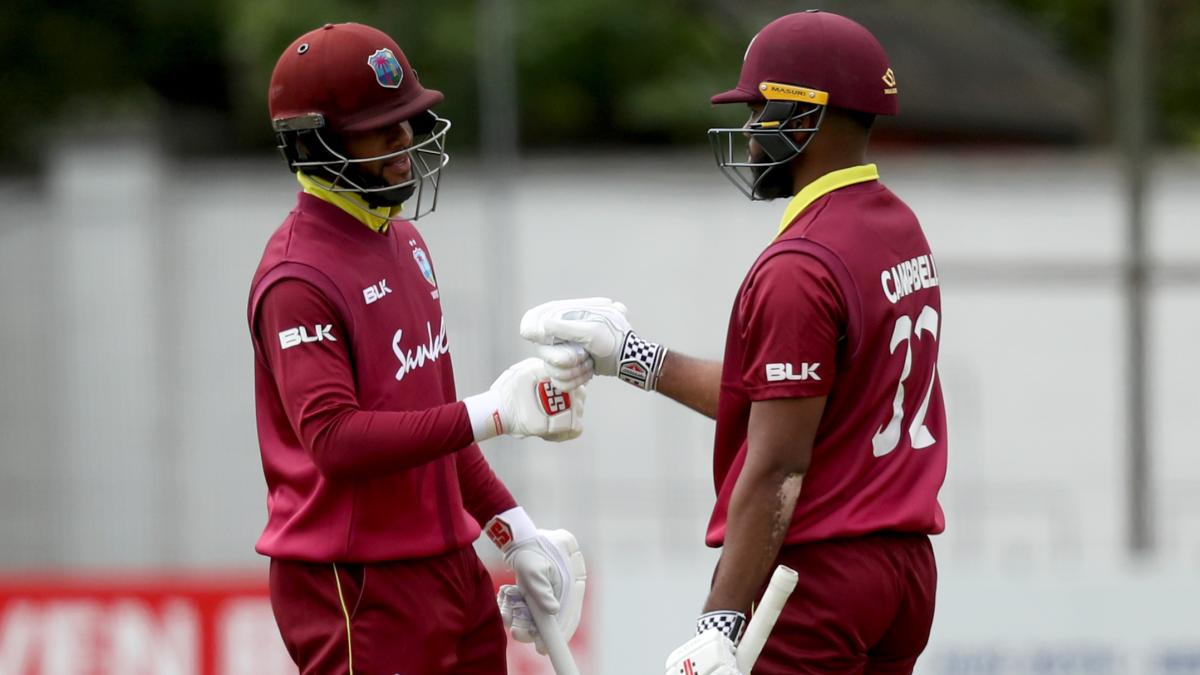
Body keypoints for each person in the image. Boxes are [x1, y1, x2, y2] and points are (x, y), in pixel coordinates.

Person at [520, 11, 946, 675]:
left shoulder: (801, 261)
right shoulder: (897, 225)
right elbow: (791, 398)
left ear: (805, 118)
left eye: (759, 111)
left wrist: (720, 618)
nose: (748, 133)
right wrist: (635, 358)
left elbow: (778, 462)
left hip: (817, 577)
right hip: (904, 570)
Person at [247, 22, 589, 674]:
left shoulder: (403, 242)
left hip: (448, 562)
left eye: (407, 120)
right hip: (356, 578)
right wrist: (493, 411)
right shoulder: (297, 276)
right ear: (314, 140)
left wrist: (512, 529)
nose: (405, 140)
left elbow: (430, 423)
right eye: (383, 126)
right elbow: (335, 440)